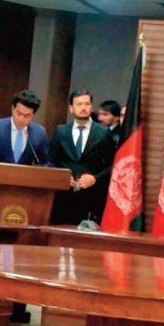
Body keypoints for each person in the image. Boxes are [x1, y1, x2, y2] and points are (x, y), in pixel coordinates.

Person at [49, 89, 116, 225]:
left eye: (86, 104)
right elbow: (50, 161)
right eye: (79, 104)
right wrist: (61, 178)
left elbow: (112, 165)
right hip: (63, 197)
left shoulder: (103, 133)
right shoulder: (61, 131)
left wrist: (95, 178)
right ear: (71, 109)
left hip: (91, 198)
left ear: (91, 107)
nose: (83, 108)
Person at [0, 89, 49, 165]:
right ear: (13, 109)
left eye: (26, 116)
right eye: (18, 113)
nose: (21, 119)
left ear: (32, 115)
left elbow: (45, 163)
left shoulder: (39, 133)